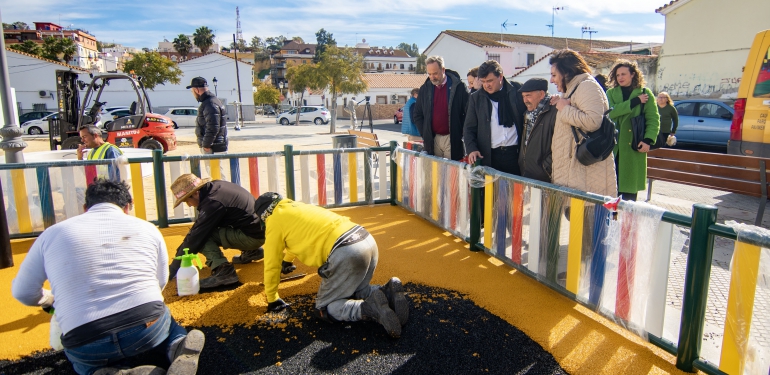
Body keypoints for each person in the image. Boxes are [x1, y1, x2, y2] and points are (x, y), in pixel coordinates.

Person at [11, 179, 204, 375]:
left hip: (86, 339)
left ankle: (107, 371)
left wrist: (49, 299)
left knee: (83, 363)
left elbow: (23, 292)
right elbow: (160, 281)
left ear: (86, 207)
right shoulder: (147, 228)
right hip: (146, 328)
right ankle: (177, 347)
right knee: (171, 327)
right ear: (127, 206)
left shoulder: (51, 234)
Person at [255, 192, 409, 338]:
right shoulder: (297, 207)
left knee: (324, 309)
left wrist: (272, 298)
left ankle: (370, 309)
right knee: (355, 290)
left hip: (346, 252)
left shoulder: (273, 221)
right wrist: (288, 260)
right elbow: (296, 238)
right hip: (365, 239)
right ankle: (386, 291)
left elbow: (271, 263)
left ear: (263, 215)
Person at [168, 173, 265, 289]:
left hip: (253, 237)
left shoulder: (213, 203)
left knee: (202, 237)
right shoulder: (217, 186)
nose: (188, 205)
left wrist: (173, 269)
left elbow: (196, 237)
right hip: (259, 229)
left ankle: (224, 271)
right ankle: (252, 251)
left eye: (186, 200)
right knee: (203, 230)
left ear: (195, 193)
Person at [549, 49, 617, 197]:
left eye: (554, 75)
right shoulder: (574, 88)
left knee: (587, 218)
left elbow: (593, 122)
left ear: (566, 72)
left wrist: (564, 108)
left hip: (587, 177)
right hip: (576, 175)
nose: (551, 80)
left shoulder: (587, 86)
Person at [607, 60, 660, 201]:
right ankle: (611, 222)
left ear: (632, 74)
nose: (620, 77)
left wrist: (648, 140)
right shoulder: (611, 93)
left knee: (630, 196)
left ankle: (627, 223)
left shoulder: (645, 93)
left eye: (623, 74)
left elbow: (653, 119)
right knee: (611, 192)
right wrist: (634, 102)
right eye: (617, 75)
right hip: (614, 147)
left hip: (634, 146)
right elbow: (610, 113)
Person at [463, 60, 526, 175]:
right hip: (489, 156)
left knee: (514, 192)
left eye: (490, 81)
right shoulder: (476, 98)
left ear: (501, 76)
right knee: (490, 192)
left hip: (515, 155)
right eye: (483, 81)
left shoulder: (517, 90)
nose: (486, 85)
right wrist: (471, 149)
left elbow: (537, 97)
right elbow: (468, 128)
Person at [413, 56, 469, 160]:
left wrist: (460, 132)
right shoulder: (425, 89)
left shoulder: (459, 87)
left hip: (452, 139)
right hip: (433, 140)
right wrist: (426, 133)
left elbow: (468, 113)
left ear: (443, 70)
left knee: (451, 174)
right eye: (429, 74)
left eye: (435, 73)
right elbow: (417, 114)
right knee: (435, 174)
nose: (432, 77)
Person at [188, 77, 228, 179]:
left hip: (212, 145)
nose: (192, 93)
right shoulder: (211, 101)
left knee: (216, 173)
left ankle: (224, 194)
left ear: (196, 90)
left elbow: (213, 127)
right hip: (215, 143)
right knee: (216, 172)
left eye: (192, 90)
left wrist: (206, 144)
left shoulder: (209, 103)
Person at [518, 78, 557, 182]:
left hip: (545, 177)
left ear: (541, 94)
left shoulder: (555, 111)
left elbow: (560, 145)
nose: (525, 100)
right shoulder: (528, 113)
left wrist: (545, 168)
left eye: (528, 96)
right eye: (523, 96)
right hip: (527, 173)